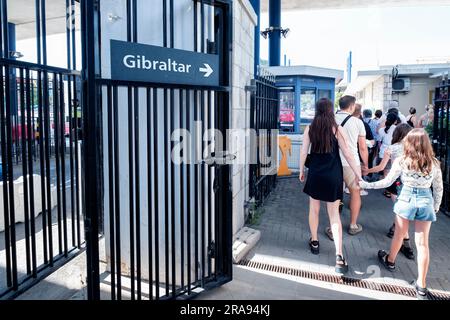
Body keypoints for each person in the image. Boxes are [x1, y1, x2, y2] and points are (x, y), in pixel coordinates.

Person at [360, 129, 443, 300]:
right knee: (422, 244)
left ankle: (390, 260)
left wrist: (365, 185)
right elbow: (438, 188)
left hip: (406, 199)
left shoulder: (402, 161)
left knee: (399, 235)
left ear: (409, 143)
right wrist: (435, 207)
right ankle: (421, 285)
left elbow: (386, 182)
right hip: (425, 201)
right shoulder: (434, 163)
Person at [299, 98, 362, 274]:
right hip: (334, 175)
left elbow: (304, 151)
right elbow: (348, 154)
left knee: (314, 209)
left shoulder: (310, 128)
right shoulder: (336, 128)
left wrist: (301, 170)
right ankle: (339, 256)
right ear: (330, 110)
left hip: (316, 174)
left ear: (317, 110)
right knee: (334, 215)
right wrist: (358, 175)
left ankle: (314, 241)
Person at [365, 123, 415, 259]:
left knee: (401, 214)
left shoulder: (391, 148)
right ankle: (399, 234)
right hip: (412, 184)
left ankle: (407, 247)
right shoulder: (415, 148)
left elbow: (380, 167)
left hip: (396, 182)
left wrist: (367, 170)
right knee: (402, 213)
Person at [325, 95, 368, 240]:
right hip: (352, 163)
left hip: (333, 163)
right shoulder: (357, 122)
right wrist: (365, 165)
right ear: (351, 106)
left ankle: (333, 228)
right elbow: (362, 147)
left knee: (335, 196)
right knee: (355, 192)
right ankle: (353, 225)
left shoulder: (329, 120)